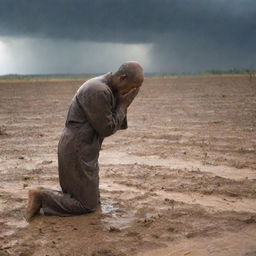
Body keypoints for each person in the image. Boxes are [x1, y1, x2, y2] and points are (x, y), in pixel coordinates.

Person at [25, 61, 144, 221]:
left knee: (91, 201)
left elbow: (113, 124)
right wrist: (122, 105)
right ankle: (41, 197)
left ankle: (46, 197)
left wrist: (121, 102)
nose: (134, 91)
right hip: (77, 148)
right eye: (134, 86)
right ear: (122, 78)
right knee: (86, 205)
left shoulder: (107, 88)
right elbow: (107, 128)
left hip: (83, 147)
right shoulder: (98, 90)